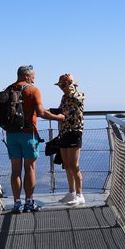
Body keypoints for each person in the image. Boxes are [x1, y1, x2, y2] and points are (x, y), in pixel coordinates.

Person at [6, 65, 63, 213]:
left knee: (15, 171)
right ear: (26, 76)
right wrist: (59, 117)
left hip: (11, 134)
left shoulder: (8, 89)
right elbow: (41, 112)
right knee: (30, 168)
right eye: (33, 76)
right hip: (28, 134)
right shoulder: (33, 90)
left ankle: (17, 204)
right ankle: (29, 203)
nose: (34, 79)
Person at [54, 73, 86, 206]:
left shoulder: (80, 95)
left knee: (74, 165)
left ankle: (80, 195)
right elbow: (61, 111)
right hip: (64, 132)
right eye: (60, 85)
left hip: (74, 132)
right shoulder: (64, 97)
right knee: (67, 165)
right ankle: (71, 192)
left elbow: (77, 99)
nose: (61, 87)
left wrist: (71, 85)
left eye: (63, 85)